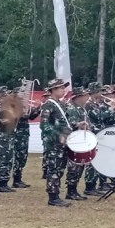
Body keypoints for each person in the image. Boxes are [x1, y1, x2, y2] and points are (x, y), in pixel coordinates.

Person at [41, 78, 72, 207]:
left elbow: (64, 124)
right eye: (61, 88)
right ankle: (53, 197)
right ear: (53, 90)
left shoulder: (61, 104)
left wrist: (76, 125)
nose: (63, 90)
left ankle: (56, 195)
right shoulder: (48, 104)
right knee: (54, 169)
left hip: (63, 143)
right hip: (54, 143)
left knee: (60, 169)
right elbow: (44, 125)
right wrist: (57, 135)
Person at [84, 82, 113, 194]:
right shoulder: (89, 104)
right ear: (95, 92)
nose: (102, 93)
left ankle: (94, 185)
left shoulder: (96, 104)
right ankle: (89, 186)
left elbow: (105, 118)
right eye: (100, 91)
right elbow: (99, 117)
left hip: (99, 135)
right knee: (91, 162)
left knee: (97, 160)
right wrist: (112, 108)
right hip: (93, 134)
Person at [63, 86, 91, 201]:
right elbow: (68, 126)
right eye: (84, 96)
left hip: (82, 141)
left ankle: (74, 190)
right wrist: (78, 124)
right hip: (74, 142)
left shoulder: (82, 109)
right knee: (74, 167)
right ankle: (71, 191)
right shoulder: (72, 109)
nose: (86, 98)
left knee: (80, 165)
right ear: (77, 97)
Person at [11, 93, 41, 189]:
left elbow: (31, 117)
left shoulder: (24, 107)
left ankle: (18, 179)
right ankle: (16, 180)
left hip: (24, 135)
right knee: (18, 157)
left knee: (22, 157)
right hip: (17, 135)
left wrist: (37, 109)